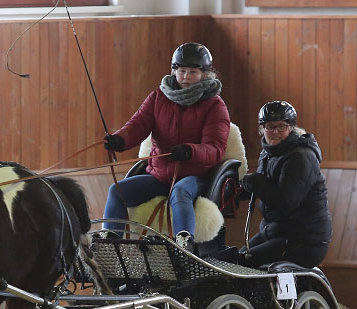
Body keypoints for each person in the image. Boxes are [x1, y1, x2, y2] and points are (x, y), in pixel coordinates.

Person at [101, 42, 230, 252]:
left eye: (193, 72)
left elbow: (215, 148)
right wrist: (120, 140)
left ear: (205, 74)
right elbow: (138, 125)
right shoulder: (158, 97)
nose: (186, 77)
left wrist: (190, 151)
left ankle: (183, 245)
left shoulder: (215, 105)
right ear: (174, 71)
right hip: (159, 176)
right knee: (117, 191)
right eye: (182, 71)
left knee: (180, 191)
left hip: (194, 177)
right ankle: (110, 246)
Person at [239, 101, 332, 269]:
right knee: (235, 259)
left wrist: (257, 182)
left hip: (305, 240)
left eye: (281, 126)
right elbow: (262, 186)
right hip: (277, 231)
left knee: (244, 263)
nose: (275, 132)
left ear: (291, 127)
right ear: (262, 129)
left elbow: (285, 202)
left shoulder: (300, 157)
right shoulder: (268, 153)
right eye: (269, 127)